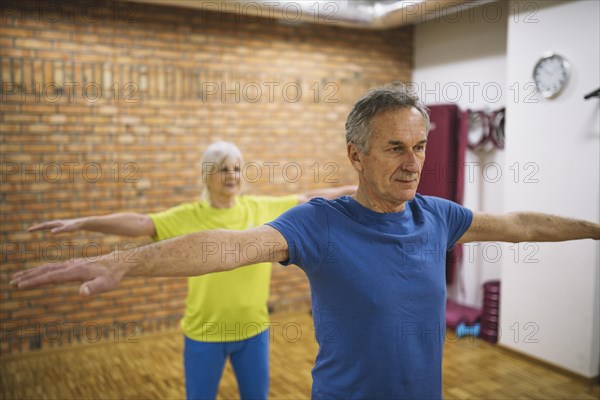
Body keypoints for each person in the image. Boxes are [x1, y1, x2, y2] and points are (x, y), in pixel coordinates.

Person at [12, 83, 600, 399]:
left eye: (419, 147)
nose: (413, 162)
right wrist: (124, 262)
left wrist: (595, 227)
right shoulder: (319, 223)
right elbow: (227, 246)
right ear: (357, 153)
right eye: (396, 147)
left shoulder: (438, 216)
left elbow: (521, 225)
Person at [24, 140, 356, 400]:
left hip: (253, 333)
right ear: (207, 175)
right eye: (223, 170)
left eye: (238, 169)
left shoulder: (261, 207)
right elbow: (140, 222)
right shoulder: (188, 215)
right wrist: (82, 222)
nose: (232, 177)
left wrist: (363, 187)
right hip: (204, 335)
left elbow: (313, 197)